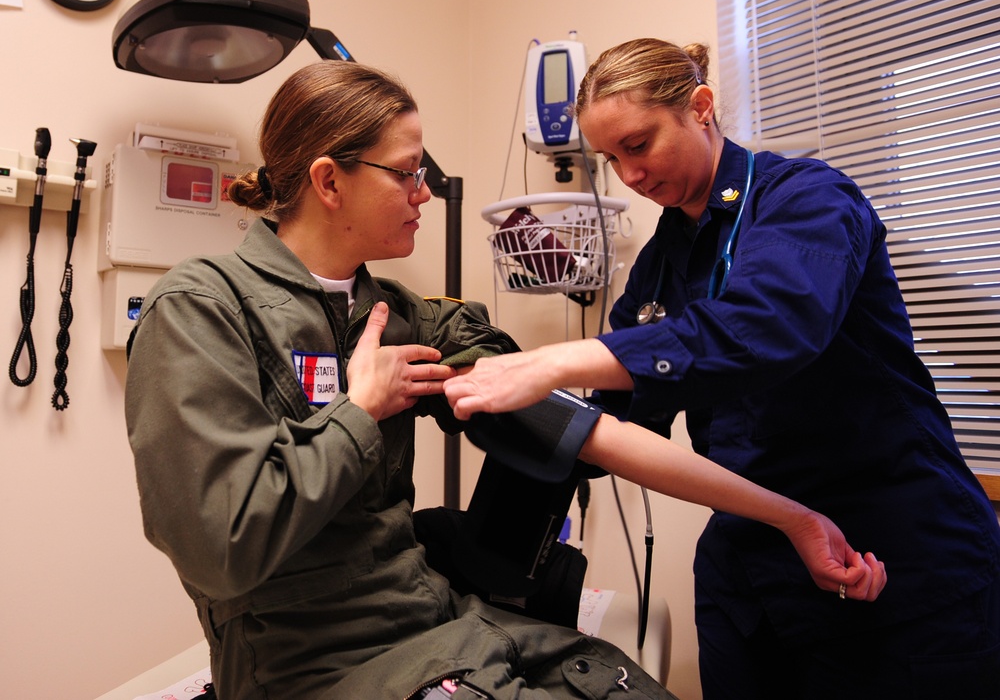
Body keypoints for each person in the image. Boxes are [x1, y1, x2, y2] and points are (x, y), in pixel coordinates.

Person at [124, 60, 879, 699]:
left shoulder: (397, 315)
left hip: (432, 620)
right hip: (310, 661)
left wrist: (791, 517)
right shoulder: (200, 308)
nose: (425, 194)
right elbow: (218, 549)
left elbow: (590, 433)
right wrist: (360, 411)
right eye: (408, 174)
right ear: (329, 180)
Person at [444, 38, 1000, 699]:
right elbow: (612, 429)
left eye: (639, 144)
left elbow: (766, 329)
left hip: (889, 546)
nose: (630, 175)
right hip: (752, 564)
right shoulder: (659, 266)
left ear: (700, 107)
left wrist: (554, 361)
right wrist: (475, 396)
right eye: (612, 158)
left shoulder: (807, 200)